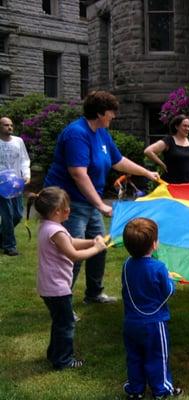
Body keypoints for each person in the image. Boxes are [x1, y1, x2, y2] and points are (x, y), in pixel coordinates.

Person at [44, 90, 160, 304]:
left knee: (99, 245)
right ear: (99, 113)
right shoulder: (76, 134)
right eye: (111, 112)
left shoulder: (101, 133)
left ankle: (94, 293)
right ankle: (63, 303)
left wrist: (146, 172)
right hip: (69, 203)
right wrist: (100, 205)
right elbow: (78, 174)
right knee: (73, 251)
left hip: (88, 201)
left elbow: (118, 161)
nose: (114, 116)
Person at [27, 187, 107, 369]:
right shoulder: (57, 231)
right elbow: (74, 254)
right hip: (57, 287)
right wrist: (97, 249)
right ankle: (64, 360)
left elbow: (71, 242)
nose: (69, 210)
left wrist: (91, 241)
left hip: (48, 286)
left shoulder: (49, 226)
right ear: (57, 212)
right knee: (66, 324)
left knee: (59, 321)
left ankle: (54, 354)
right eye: (67, 207)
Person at [121, 218, 183, 399]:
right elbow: (169, 292)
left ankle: (136, 389)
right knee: (157, 357)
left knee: (134, 357)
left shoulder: (126, 265)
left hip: (131, 323)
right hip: (154, 324)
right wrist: (170, 279)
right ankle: (162, 390)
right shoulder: (159, 268)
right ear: (154, 244)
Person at [0, 117, 31, 256]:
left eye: (11, 125)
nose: (10, 127)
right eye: (6, 125)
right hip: (2, 184)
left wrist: (26, 174)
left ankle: (2, 236)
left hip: (16, 183)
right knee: (7, 214)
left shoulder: (18, 141)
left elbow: (24, 159)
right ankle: (9, 246)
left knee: (18, 215)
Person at [144, 114, 189, 184]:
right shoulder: (169, 141)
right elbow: (148, 151)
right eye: (184, 126)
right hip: (173, 183)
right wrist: (162, 164)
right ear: (176, 127)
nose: (187, 129)